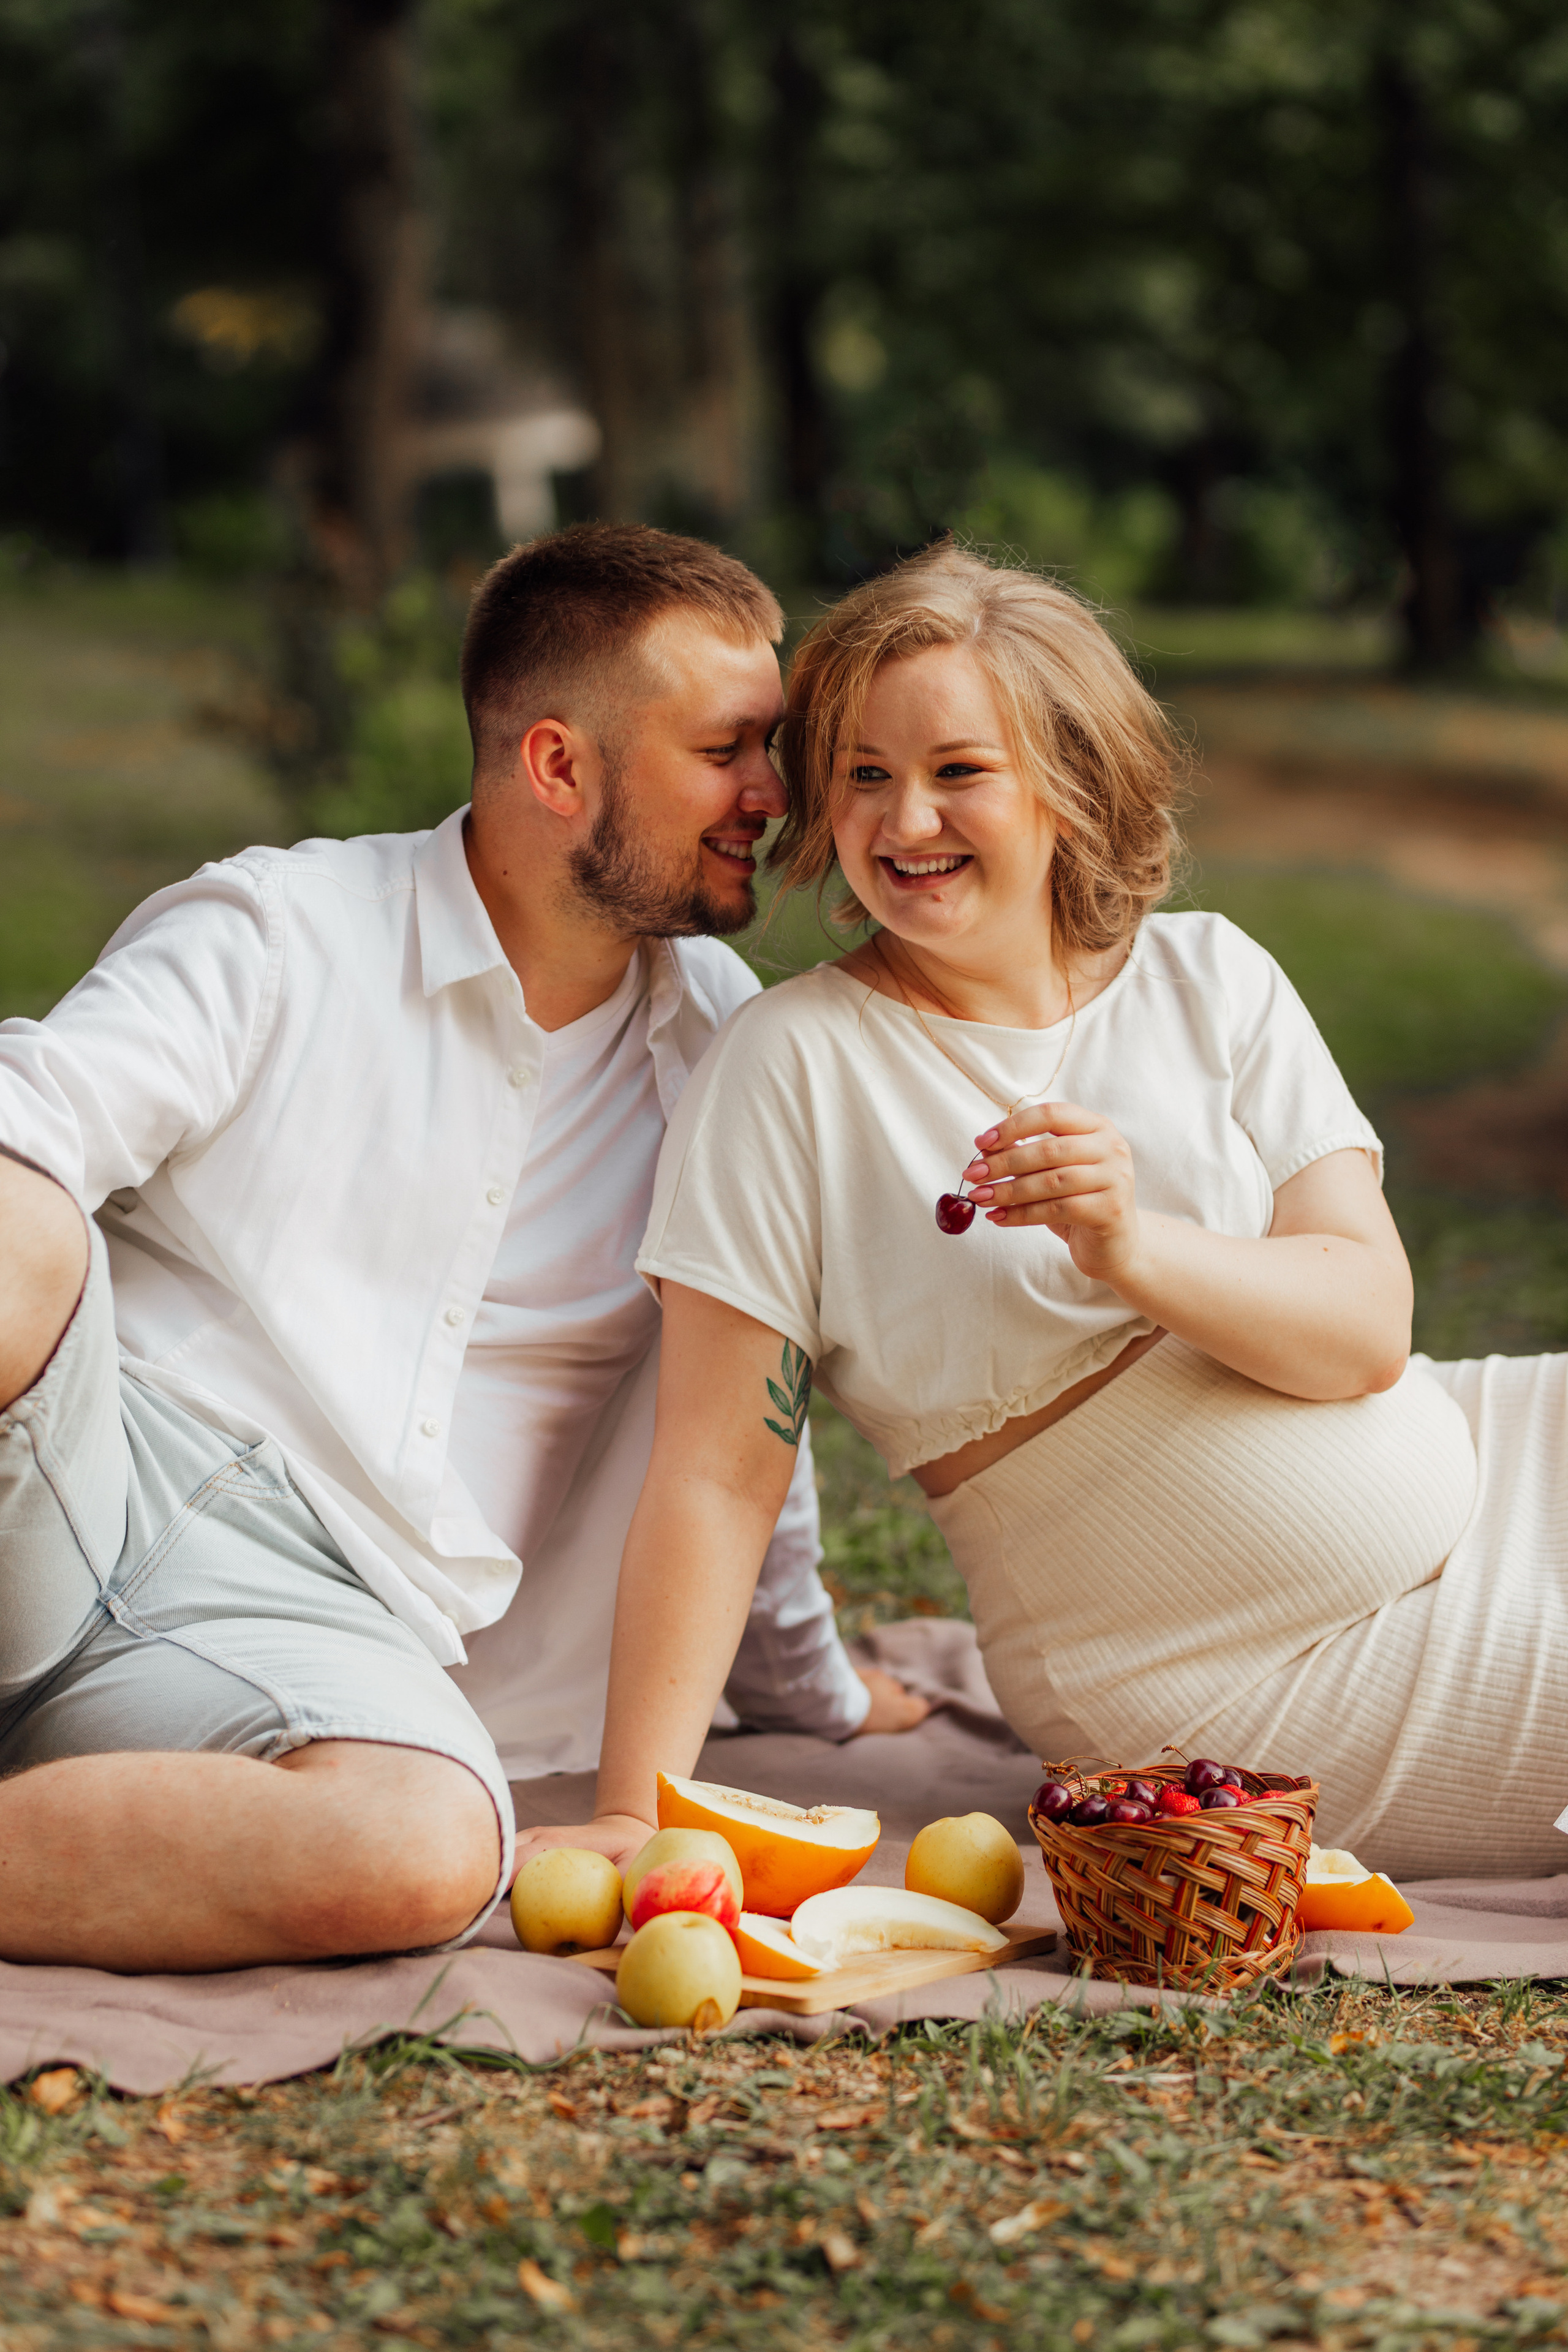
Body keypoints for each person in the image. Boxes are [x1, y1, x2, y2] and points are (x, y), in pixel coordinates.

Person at [526, 541, 1568, 1888]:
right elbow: (718, 1478)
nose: (904, 823)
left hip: (1484, 1477)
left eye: (958, 771)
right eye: (863, 774)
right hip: (1226, 1675)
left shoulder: (1210, 981)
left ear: (1069, 783)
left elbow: (1365, 1329)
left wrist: (1130, 1247)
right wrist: (636, 1809)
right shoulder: (792, 1070)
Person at [0, 522, 924, 1974]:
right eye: (727, 752)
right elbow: (30, 1118)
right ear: (559, 767)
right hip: (76, 1472)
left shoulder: (729, 1050)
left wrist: (815, 1687)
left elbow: (743, 1416)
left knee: (428, 1846)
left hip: (321, 1632)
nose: (772, 796)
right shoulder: (283, 932)